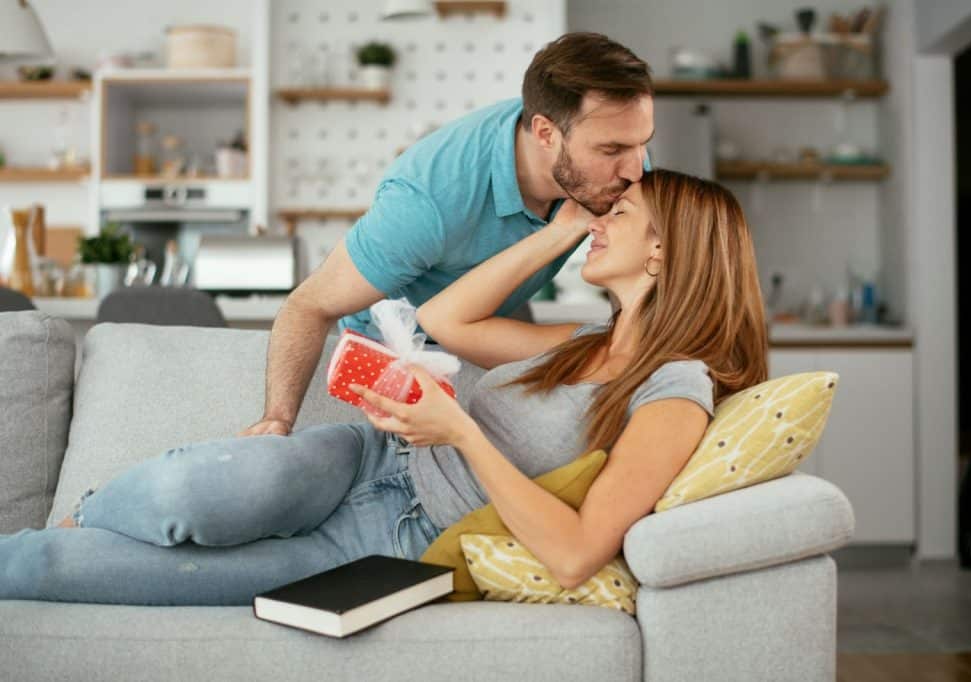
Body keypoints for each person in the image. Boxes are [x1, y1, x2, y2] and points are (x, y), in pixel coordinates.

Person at [0, 169, 768, 605]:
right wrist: (559, 231)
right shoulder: (581, 343)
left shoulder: (674, 389)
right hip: (370, 459)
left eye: (618, 213)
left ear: (663, 254)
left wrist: (459, 430)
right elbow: (443, 317)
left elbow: (574, 555)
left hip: (398, 540)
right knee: (181, 497)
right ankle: (87, 511)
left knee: (52, 572)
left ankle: (41, 550)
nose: (600, 220)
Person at [241, 31, 654, 439]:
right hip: (395, 351)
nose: (637, 170)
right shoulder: (429, 200)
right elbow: (309, 305)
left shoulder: (619, 162)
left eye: (641, 144)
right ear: (546, 133)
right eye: (612, 150)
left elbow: (640, 282)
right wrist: (278, 419)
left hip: (486, 324)